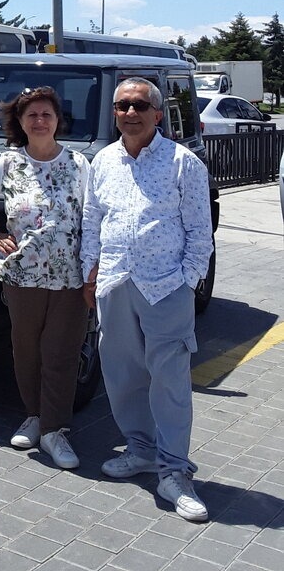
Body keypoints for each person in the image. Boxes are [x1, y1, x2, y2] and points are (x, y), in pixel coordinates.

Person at [81, 77, 213, 522]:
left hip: (166, 288)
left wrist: (187, 282)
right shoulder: (103, 160)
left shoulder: (183, 163)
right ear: (114, 113)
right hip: (115, 283)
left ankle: (175, 472)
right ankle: (139, 450)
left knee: (170, 383)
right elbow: (92, 219)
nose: (130, 113)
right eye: (122, 106)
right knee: (122, 376)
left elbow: (200, 231)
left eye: (139, 105)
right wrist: (90, 272)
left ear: (158, 113)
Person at [0, 86, 90, 470]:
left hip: (69, 278)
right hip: (23, 277)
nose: (39, 121)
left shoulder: (79, 164)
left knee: (61, 353)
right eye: (31, 115)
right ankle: (34, 416)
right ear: (19, 122)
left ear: (57, 120)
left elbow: (94, 216)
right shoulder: (9, 163)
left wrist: (95, 268)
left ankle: (54, 430)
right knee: (27, 350)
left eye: (46, 114)